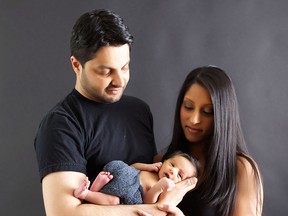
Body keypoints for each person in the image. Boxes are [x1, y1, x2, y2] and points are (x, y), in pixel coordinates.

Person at [34, 9, 197, 216]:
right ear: (76, 65)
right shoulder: (61, 124)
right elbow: (64, 213)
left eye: (125, 67)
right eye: (106, 71)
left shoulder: (138, 111)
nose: (119, 81)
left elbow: (146, 179)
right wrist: (155, 211)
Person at [161, 66, 264, 215]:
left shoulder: (242, 170)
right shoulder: (163, 162)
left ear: (222, 116)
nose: (194, 120)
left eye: (207, 112)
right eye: (188, 107)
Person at [74, 151, 200, 205]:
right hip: (125, 174)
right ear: (165, 160)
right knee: (122, 169)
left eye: (179, 175)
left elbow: (148, 201)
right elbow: (133, 167)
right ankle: (97, 188)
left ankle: (87, 194)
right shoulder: (153, 170)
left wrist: (159, 188)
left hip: (127, 193)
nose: (173, 171)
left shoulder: (164, 189)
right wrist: (148, 166)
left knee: (114, 202)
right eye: (172, 164)